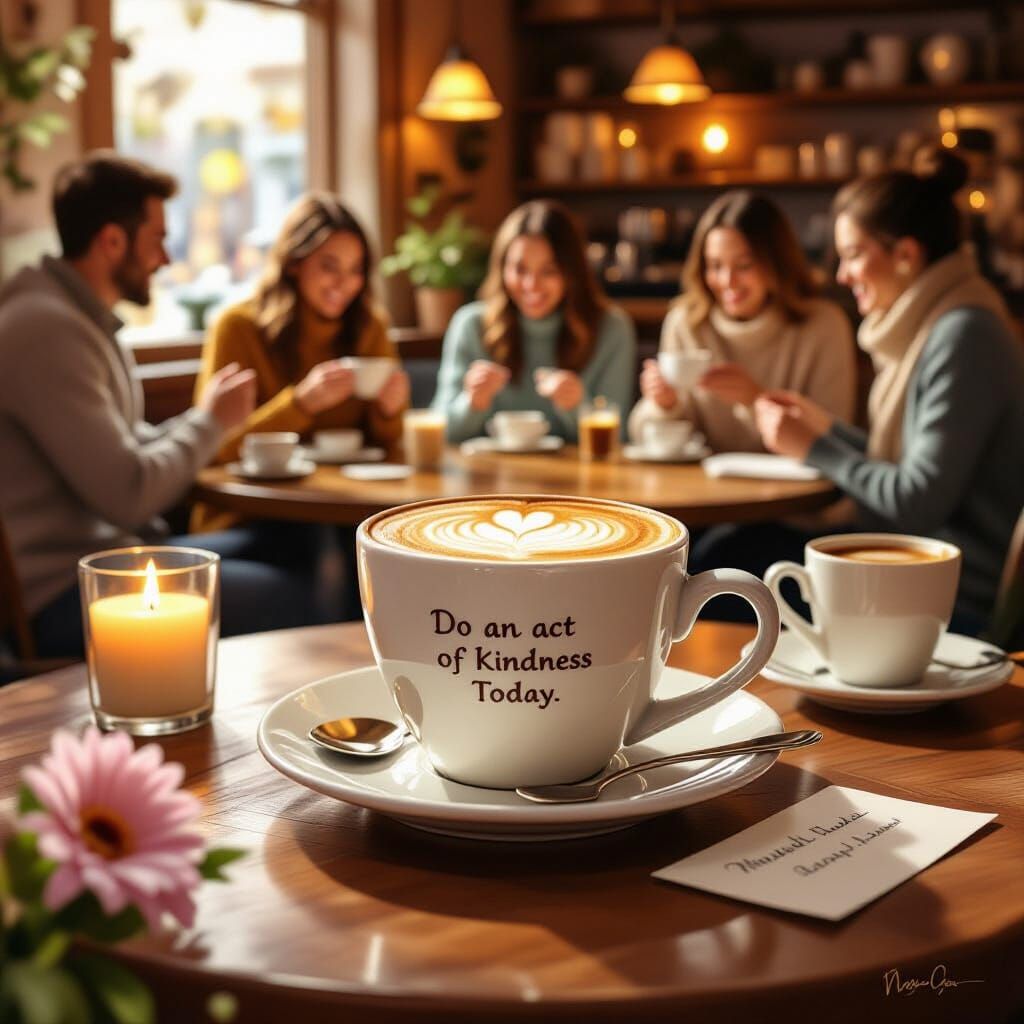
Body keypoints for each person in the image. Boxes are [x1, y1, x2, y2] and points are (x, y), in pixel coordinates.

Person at [0, 151, 315, 658]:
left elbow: (126, 448)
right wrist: (211, 422)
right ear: (112, 241)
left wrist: (205, 419)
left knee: (287, 542)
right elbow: (129, 492)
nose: (166, 258)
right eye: (158, 239)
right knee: (285, 597)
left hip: (110, 561)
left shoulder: (78, 320)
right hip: (64, 592)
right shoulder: (46, 331)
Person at [754, 148, 1024, 635]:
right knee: (731, 551)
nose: (841, 275)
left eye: (854, 254)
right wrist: (827, 429)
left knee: (734, 569)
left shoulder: (964, 334)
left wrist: (815, 449)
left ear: (905, 254)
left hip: (950, 596)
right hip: (915, 569)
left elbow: (918, 501)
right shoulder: (940, 322)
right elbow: (912, 470)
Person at [191, 193, 409, 531]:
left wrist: (388, 411)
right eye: (329, 266)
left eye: (356, 270)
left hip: (343, 511)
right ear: (294, 262)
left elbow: (388, 442)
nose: (344, 284)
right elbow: (213, 447)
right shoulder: (237, 327)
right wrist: (301, 404)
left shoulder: (369, 326)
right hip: (250, 517)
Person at [629, 191, 855, 451]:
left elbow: (836, 442)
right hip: (703, 486)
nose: (727, 281)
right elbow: (651, 437)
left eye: (744, 266)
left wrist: (756, 401)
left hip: (797, 489)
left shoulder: (823, 326)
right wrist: (664, 405)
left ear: (776, 263)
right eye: (715, 265)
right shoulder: (686, 323)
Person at [431, 200, 636, 443]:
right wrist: (472, 402)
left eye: (548, 271)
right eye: (519, 269)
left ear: (572, 272)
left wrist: (578, 405)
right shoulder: (471, 325)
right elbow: (438, 431)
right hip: (489, 477)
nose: (531, 285)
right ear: (501, 268)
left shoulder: (612, 329)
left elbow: (617, 438)